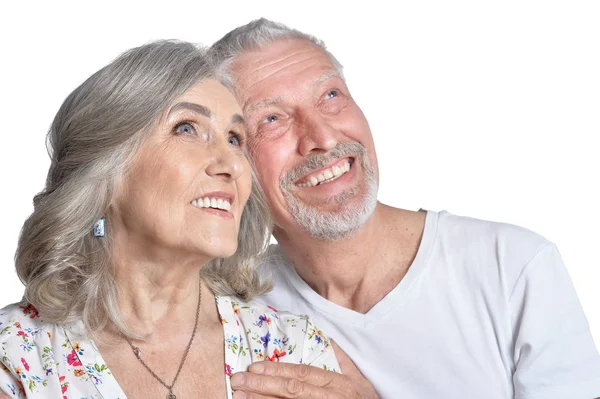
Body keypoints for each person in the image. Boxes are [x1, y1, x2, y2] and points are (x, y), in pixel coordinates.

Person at [209, 19, 600, 399]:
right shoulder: (232, 310)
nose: (324, 138)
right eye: (272, 119)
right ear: (231, 159)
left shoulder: (514, 268)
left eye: (330, 96)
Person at [0, 40, 345, 399]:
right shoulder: (15, 357)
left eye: (234, 138)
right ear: (107, 170)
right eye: (187, 128)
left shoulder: (292, 349)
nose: (231, 165)